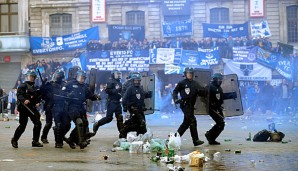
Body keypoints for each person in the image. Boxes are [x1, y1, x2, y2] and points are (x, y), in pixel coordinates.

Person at [63, 70, 100, 149]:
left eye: (83, 78)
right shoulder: (70, 84)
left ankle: (71, 139)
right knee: (79, 122)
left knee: (85, 123)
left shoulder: (84, 87)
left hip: (81, 107)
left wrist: (96, 97)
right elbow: (62, 93)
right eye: (80, 77)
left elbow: (89, 95)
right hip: (72, 106)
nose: (82, 79)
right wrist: (68, 95)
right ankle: (81, 142)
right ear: (76, 76)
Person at [172, 67, 205, 146]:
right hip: (184, 104)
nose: (190, 75)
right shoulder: (182, 83)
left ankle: (174, 138)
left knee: (186, 123)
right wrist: (176, 99)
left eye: (191, 73)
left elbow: (202, 93)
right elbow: (175, 91)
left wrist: (202, 90)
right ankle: (195, 140)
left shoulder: (195, 83)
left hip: (191, 105)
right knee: (192, 121)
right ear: (185, 74)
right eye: (188, 73)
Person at [11, 70, 43, 148]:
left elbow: (37, 97)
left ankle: (35, 141)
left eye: (32, 76)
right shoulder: (22, 85)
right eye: (30, 76)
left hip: (32, 108)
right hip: (24, 108)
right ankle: (14, 140)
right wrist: (24, 100)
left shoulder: (36, 87)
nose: (31, 78)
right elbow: (19, 95)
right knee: (22, 126)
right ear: (27, 77)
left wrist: (38, 102)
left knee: (38, 124)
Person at [205, 73, 237, 145]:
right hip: (212, 108)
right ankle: (210, 136)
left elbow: (221, 97)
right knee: (220, 123)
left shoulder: (218, 87)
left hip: (218, 108)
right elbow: (204, 97)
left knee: (221, 124)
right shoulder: (209, 87)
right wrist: (210, 104)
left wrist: (231, 95)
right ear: (214, 79)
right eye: (218, 79)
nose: (220, 81)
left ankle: (211, 137)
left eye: (221, 79)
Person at [40, 70, 67, 148]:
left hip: (59, 106)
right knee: (49, 123)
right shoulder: (50, 84)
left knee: (59, 124)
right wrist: (43, 85)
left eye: (59, 76)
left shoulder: (64, 85)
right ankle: (44, 137)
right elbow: (42, 93)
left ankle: (59, 140)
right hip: (50, 106)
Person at [92, 70, 124, 137]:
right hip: (112, 102)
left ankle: (122, 134)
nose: (118, 75)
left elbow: (121, 91)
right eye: (117, 74)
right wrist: (116, 90)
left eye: (119, 74)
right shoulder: (110, 81)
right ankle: (97, 124)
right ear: (113, 74)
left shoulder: (119, 83)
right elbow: (107, 90)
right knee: (109, 118)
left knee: (120, 118)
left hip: (118, 102)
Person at [121, 73, 151, 138]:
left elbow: (141, 98)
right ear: (133, 81)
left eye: (138, 80)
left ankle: (140, 136)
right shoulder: (130, 89)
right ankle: (123, 132)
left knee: (141, 124)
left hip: (140, 110)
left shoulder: (140, 88)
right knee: (139, 123)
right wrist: (125, 107)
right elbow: (124, 99)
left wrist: (144, 105)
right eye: (135, 80)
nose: (137, 82)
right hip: (133, 110)